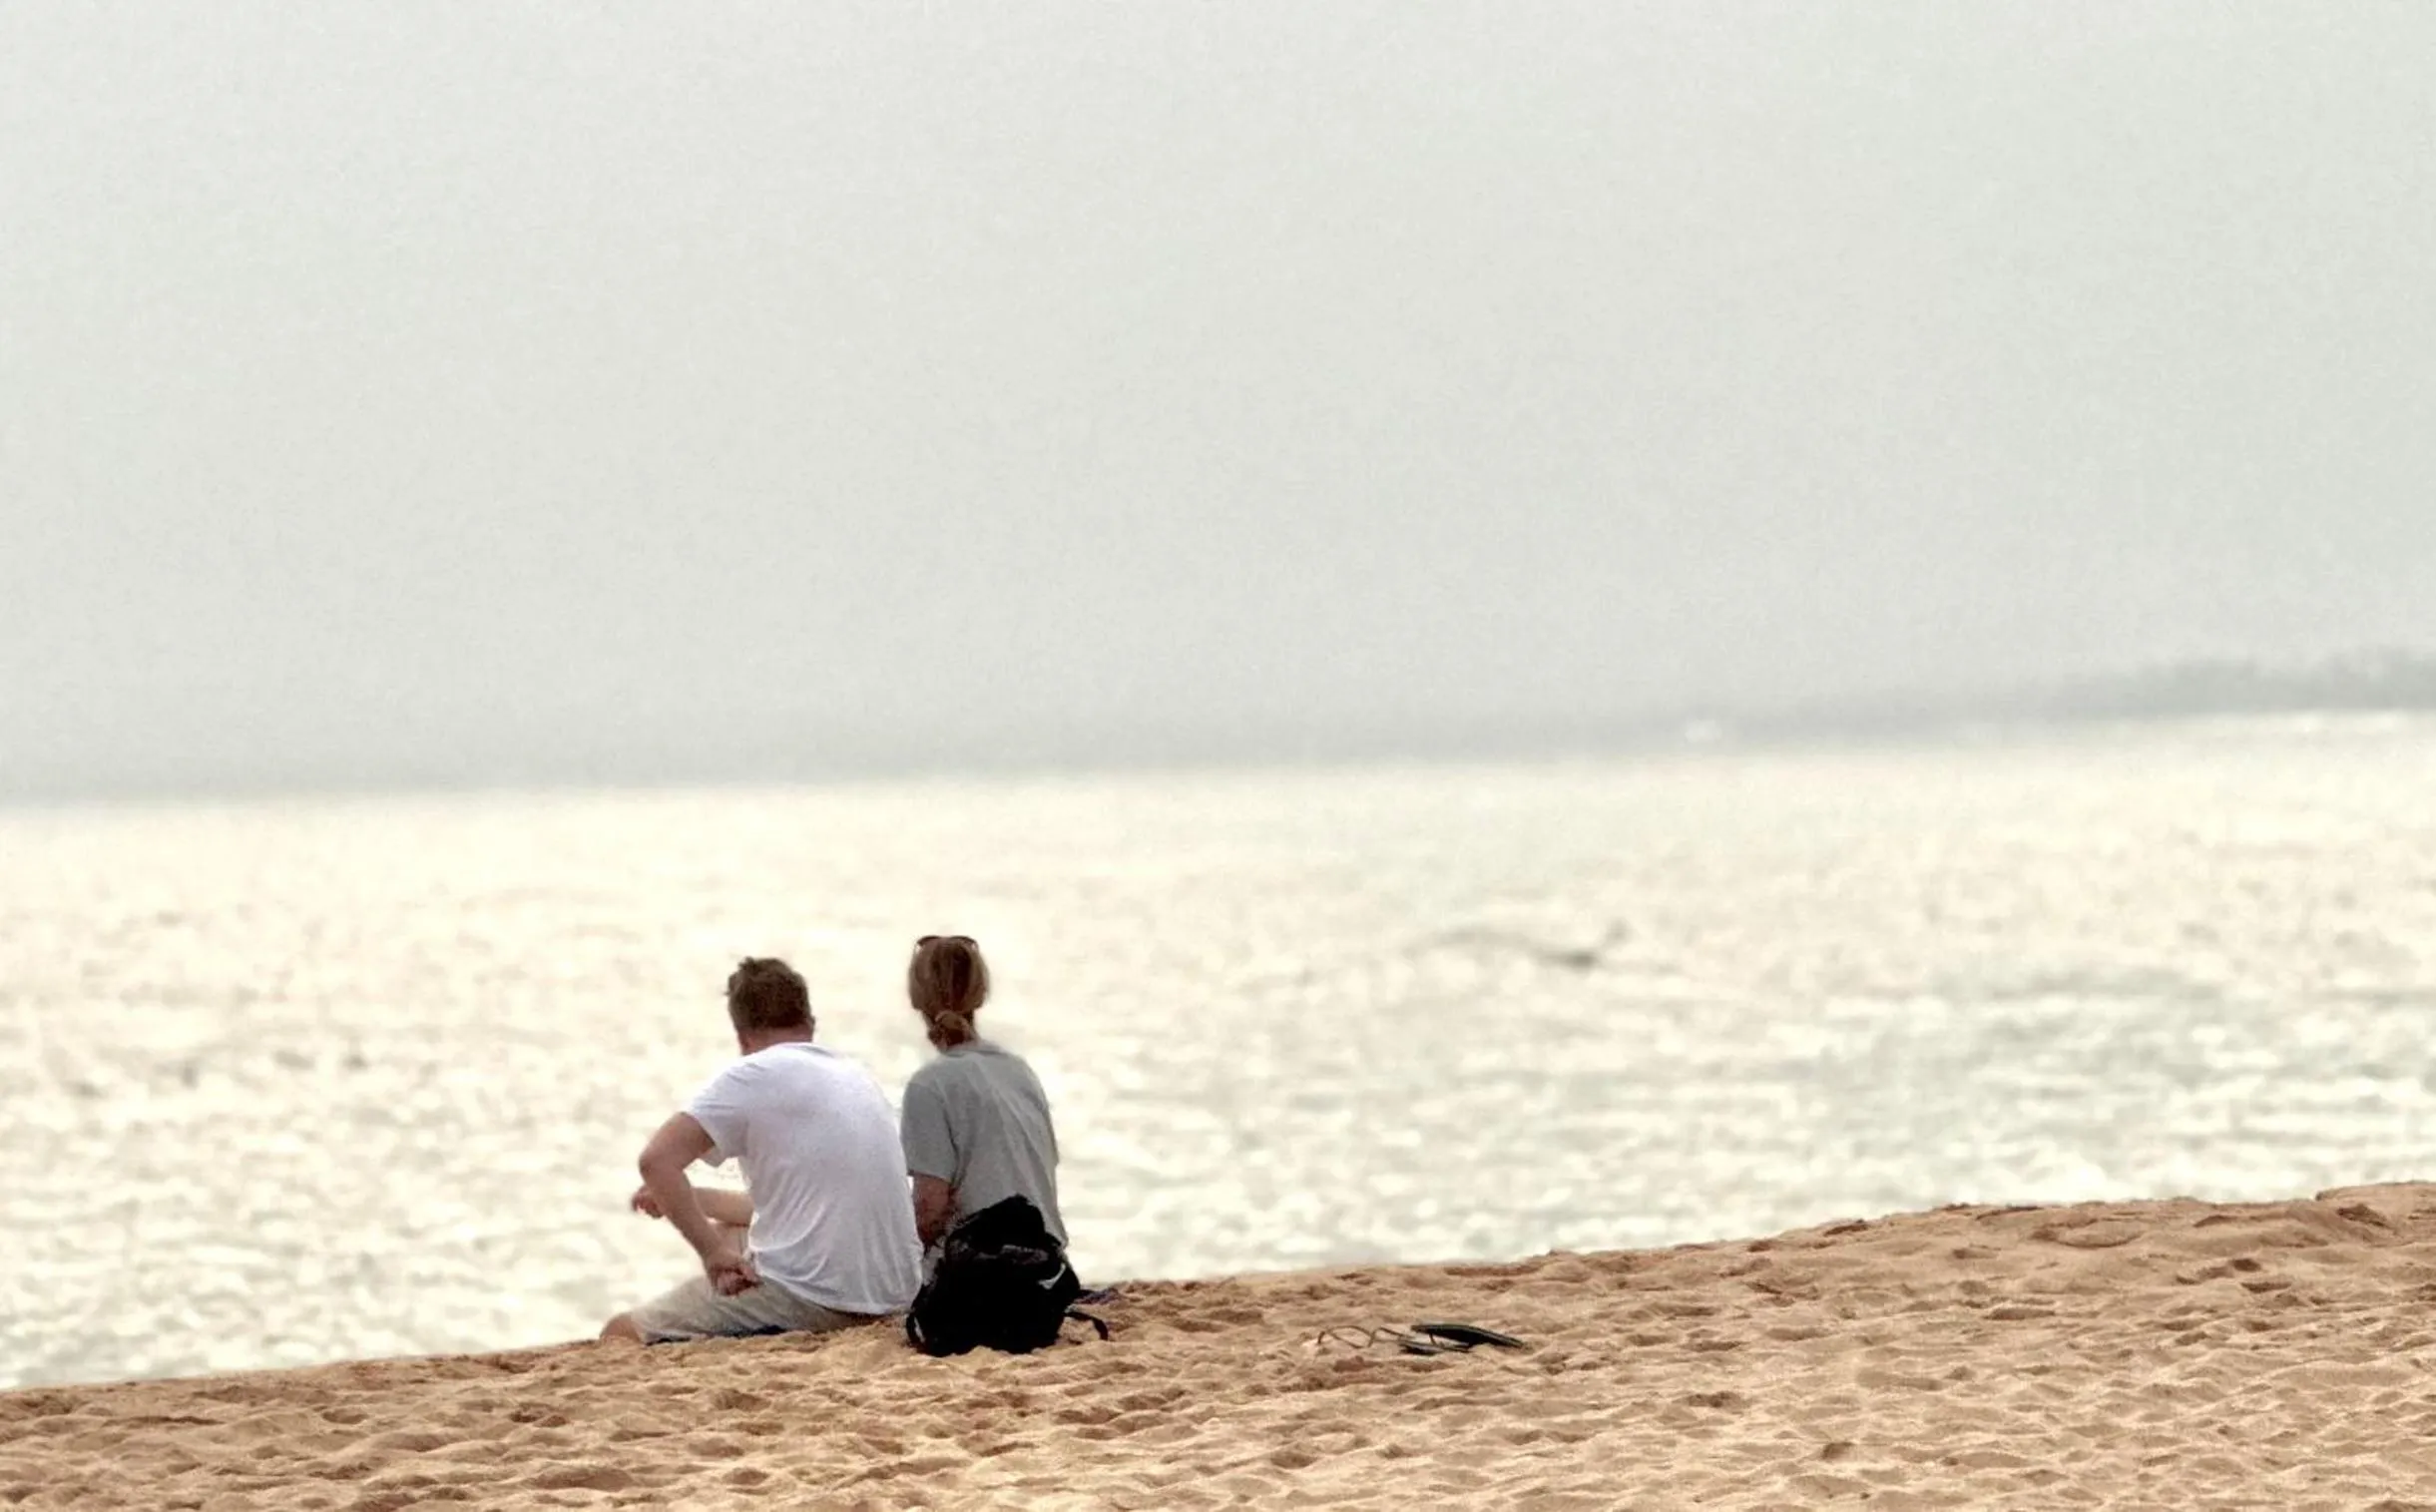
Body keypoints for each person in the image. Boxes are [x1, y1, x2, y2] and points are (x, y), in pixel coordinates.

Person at [601, 957, 923, 1343]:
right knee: (732, 1232)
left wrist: (712, 1256)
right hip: (896, 1293)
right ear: (810, 1023)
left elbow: (655, 1161)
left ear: (742, 1037)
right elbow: (793, 1209)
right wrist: (691, 1200)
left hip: (820, 1299)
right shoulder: (855, 1075)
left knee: (621, 1332)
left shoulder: (751, 1075)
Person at [899, 934, 1066, 1259]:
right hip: (1048, 1267)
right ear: (981, 994)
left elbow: (929, 1210)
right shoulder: (1019, 1071)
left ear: (916, 998)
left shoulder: (929, 1085)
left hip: (980, 1273)